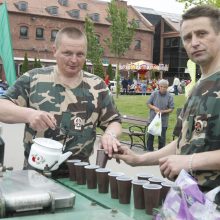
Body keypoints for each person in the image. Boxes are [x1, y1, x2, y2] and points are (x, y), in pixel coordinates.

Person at [114, 5, 220, 205]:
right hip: (190, 204)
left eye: (202, 34)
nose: (194, 42)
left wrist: (189, 162)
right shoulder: (197, 88)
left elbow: (186, 156)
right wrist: (139, 160)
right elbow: (183, 143)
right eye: (187, 37)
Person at [0, 27, 122, 177]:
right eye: (67, 53)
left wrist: (110, 135)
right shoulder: (34, 78)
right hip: (36, 172)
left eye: (80, 54)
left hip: (80, 175)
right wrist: (29, 114)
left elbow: (113, 120)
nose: (74, 60)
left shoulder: (97, 86)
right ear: (55, 51)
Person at [146, 79, 174, 151]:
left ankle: (160, 152)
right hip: (153, 119)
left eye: (165, 87)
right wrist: (154, 107)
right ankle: (149, 151)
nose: (163, 88)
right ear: (159, 86)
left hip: (163, 121)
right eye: (161, 86)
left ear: (167, 87)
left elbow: (171, 108)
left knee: (162, 138)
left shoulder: (170, 96)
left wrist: (163, 111)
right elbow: (148, 103)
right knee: (150, 137)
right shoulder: (154, 93)